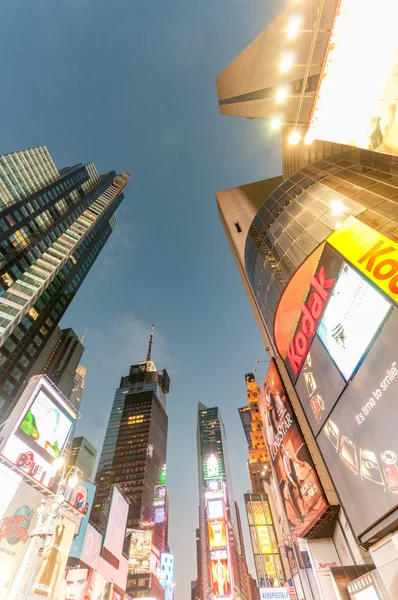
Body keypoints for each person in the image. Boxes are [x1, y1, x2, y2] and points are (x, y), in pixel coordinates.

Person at [281, 444, 306, 522]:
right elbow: (287, 473)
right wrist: (292, 482)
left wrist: (297, 476)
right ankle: (300, 515)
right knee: (294, 496)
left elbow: (295, 463)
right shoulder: (284, 459)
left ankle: (303, 512)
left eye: (283, 447)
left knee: (299, 493)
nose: (283, 450)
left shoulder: (289, 455)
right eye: (281, 449)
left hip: (294, 475)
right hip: (291, 478)